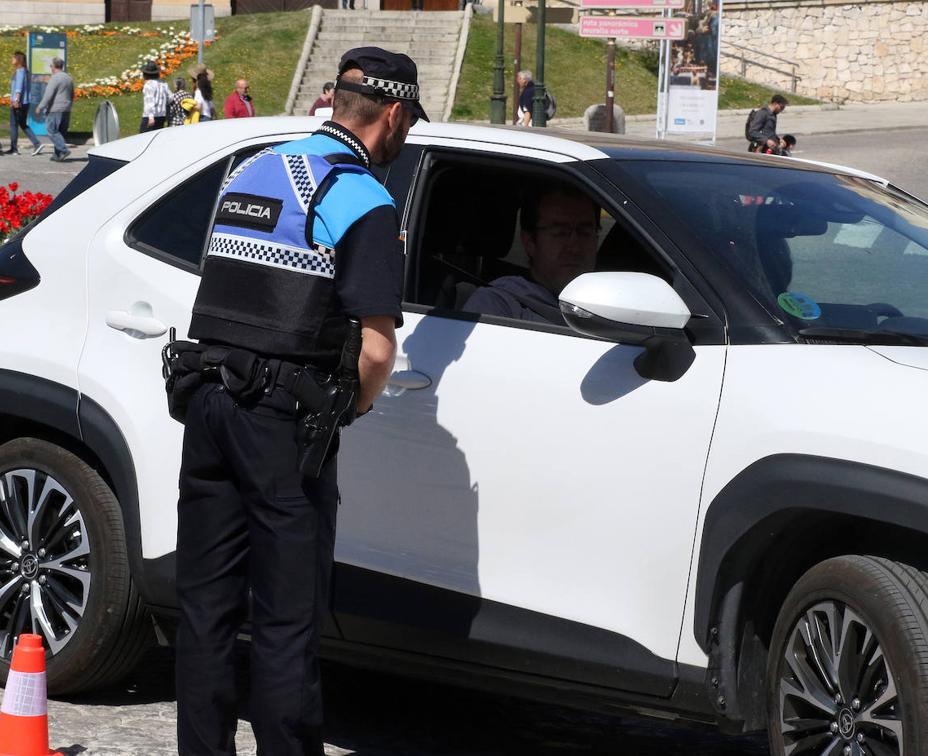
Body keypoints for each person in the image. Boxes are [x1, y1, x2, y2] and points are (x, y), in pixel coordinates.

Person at [173, 45, 426, 756]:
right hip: (282, 425)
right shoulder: (363, 199)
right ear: (395, 115)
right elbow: (377, 349)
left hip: (206, 403)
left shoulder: (252, 171)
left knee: (207, 611)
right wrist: (351, 408)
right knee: (286, 623)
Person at [464, 186, 599, 322]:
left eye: (585, 233)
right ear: (529, 241)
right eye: (560, 233)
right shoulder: (499, 304)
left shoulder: (613, 307)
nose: (574, 248)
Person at [36, 57, 74, 162]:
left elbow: (48, 95)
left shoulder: (55, 78)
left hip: (55, 109)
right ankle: (57, 155)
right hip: (66, 108)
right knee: (60, 132)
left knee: (51, 130)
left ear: (53, 67)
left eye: (51, 66)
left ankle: (63, 149)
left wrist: (40, 106)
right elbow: (72, 94)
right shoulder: (68, 78)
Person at [7, 51, 41, 156]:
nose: (11, 60)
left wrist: (16, 100)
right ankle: (36, 143)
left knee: (14, 125)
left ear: (18, 60)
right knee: (22, 124)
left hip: (19, 102)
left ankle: (14, 148)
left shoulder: (20, 71)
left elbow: (19, 87)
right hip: (25, 102)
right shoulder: (26, 71)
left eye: (13, 58)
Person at [140, 60, 170, 132]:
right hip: (161, 115)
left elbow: (149, 101)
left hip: (150, 117)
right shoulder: (163, 84)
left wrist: (151, 117)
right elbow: (170, 97)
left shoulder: (148, 85)